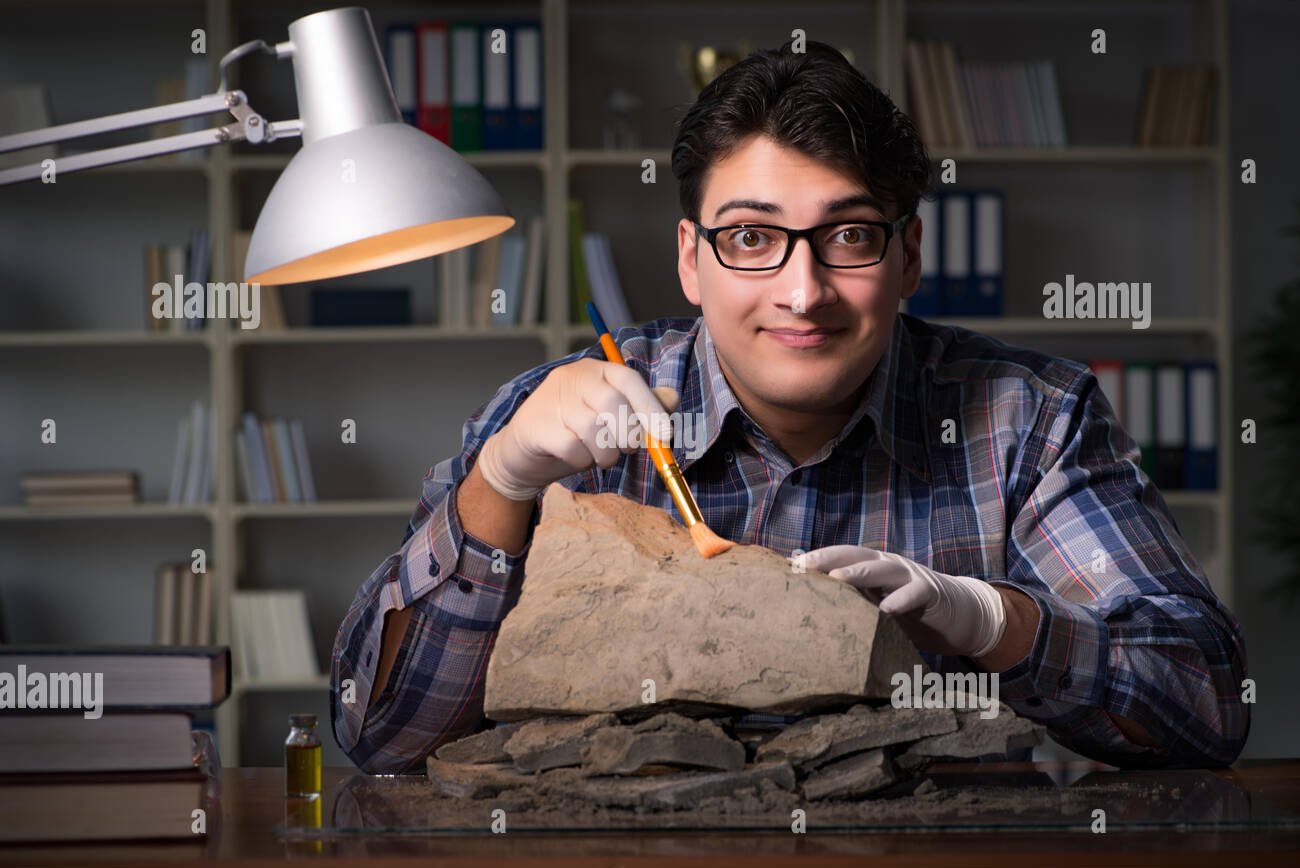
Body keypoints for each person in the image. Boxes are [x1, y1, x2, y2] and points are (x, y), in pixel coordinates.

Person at [330, 40, 1248, 775]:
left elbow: (1207, 706)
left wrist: (988, 620)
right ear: (691, 258)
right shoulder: (560, 417)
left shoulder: (1028, 421)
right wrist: (501, 481)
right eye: (752, 238)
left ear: (909, 256)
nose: (802, 292)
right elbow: (380, 737)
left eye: (848, 236)